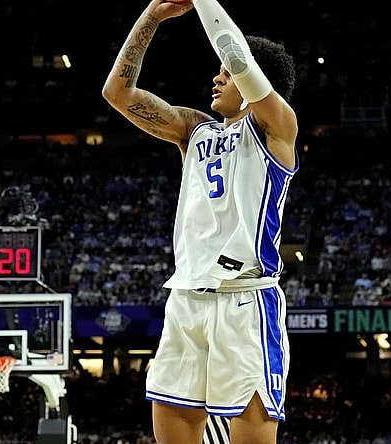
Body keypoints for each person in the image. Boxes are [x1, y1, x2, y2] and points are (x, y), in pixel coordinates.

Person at [102, 0, 297, 443]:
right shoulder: (195, 130)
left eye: (226, 74)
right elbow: (118, 94)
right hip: (187, 296)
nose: (216, 78)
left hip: (245, 300)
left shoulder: (278, 128)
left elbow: (236, 53)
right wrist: (151, 16)